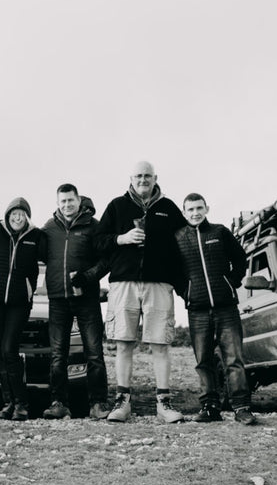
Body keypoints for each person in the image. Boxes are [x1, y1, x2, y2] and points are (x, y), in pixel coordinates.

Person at [97, 161, 186, 423]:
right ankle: (122, 403)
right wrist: (120, 239)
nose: (143, 179)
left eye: (147, 175)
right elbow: (98, 241)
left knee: (160, 345)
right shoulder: (116, 206)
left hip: (159, 284)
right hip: (123, 283)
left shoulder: (168, 209)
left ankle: (163, 404)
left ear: (155, 177)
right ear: (131, 178)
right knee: (124, 344)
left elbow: (182, 246)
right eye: (138, 175)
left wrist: (180, 284)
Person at [175, 193, 256, 425]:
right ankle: (210, 407)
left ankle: (242, 407)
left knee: (234, 359)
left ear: (206, 208)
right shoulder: (178, 237)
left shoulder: (219, 232)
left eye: (199, 208)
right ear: (184, 213)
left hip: (226, 308)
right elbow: (174, 271)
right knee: (203, 360)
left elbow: (240, 259)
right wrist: (186, 292)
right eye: (190, 210)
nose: (195, 213)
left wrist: (232, 283)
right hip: (197, 310)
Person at [40, 184, 109, 420]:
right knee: (58, 355)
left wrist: (87, 277)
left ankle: (98, 403)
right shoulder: (49, 228)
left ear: (78, 200)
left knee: (94, 353)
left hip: (87, 299)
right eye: (63, 201)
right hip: (58, 299)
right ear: (57, 203)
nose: (67, 205)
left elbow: (106, 260)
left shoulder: (94, 226)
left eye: (71, 200)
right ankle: (59, 403)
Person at [0, 197, 42, 421]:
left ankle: (21, 403)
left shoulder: (36, 236)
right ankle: (9, 403)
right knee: (2, 352)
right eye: (13, 214)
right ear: (7, 215)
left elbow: (53, 255)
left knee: (9, 349)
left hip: (20, 302)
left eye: (22, 214)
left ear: (27, 216)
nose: (17, 218)